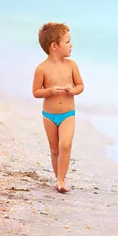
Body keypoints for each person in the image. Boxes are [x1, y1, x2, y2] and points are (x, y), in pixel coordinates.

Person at [32, 22, 84, 193]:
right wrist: (50, 91)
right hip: (49, 115)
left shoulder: (72, 65)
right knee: (54, 149)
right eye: (68, 42)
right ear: (54, 46)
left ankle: (61, 181)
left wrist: (73, 90)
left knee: (66, 145)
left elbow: (81, 86)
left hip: (68, 114)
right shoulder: (41, 69)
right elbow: (36, 92)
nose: (71, 45)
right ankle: (58, 179)